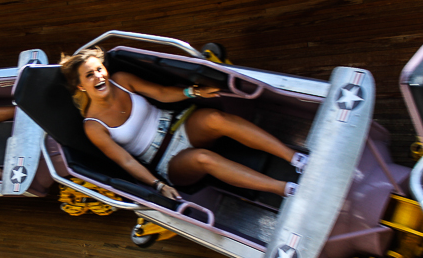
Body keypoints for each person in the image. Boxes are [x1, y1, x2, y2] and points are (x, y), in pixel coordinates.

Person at [59, 48, 308, 200]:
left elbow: (162, 93)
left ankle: (295, 158)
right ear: (81, 86)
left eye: (99, 70)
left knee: (214, 118)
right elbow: (126, 161)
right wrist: (157, 185)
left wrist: (194, 92)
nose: (99, 77)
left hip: (178, 127)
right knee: (203, 158)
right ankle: (284, 189)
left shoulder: (122, 80)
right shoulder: (93, 125)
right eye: (90, 75)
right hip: (167, 162)